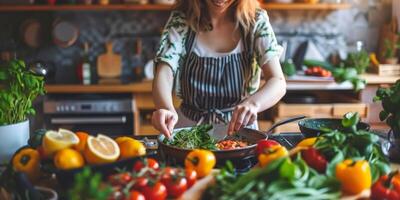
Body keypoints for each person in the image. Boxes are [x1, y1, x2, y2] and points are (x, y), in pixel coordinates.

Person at [152, 0, 286, 138]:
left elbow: (278, 81)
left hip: (239, 130)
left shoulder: (255, 20)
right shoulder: (181, 20)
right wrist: (165, 108)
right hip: (187, 130)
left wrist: (253, 104)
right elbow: (164, 72)